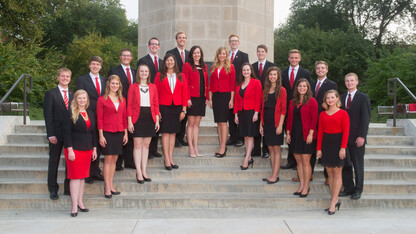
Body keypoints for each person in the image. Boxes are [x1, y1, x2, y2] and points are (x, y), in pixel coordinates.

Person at [63, 90, 98, 217]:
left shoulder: (90, 113)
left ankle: (80, 202)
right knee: (75, 177)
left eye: (84, 98)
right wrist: (70, 149)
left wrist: (94, 148)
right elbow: (66, 132)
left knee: (82, 177)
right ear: (75, 99)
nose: (82, 100)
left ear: (87, 99)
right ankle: (73, 206)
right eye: (79, 98)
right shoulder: (70, 112)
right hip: (74, 149)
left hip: (87, 149)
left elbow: (93, 132)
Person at [317, 90, 350, 215]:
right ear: (325, 100)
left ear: (337, 99)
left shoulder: (343, 114)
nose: (330, 100)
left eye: (332, 97)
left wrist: (343, 148)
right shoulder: (322, 114)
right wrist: (319, 148)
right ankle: (334, 200)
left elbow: (346, 132)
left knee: (337, 173)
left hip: (338, 144)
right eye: (328, 98)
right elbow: (320, 132)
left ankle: (333, 202)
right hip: (326, 144)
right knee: (329, 174)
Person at [339, 73, 371, 200]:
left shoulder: (363, 98)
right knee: (346, 164)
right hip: (344, 138)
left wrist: (362, 136)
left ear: (357, 82)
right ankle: (348, 187)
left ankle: (358, 189)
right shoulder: (341, 97)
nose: (349, 83)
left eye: (352, 80)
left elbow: (366, 118)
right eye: (347, 81)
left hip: (357, 137)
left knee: (358, 165)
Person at [43, 68, 73, 200]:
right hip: (56, 134)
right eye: (62, 76)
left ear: (70, 78)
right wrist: (51, 134)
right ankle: (53, 189)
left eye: (67, 76)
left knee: (70, 162)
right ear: (58, 78)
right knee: (54, 161)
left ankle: (68, 188)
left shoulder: (73, 94)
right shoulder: (51, 94)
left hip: (70, 135)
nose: (65, 78)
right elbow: (48, 116)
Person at [154, 54, 188, 170]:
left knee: (173, 133)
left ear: (175, 62)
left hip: (177, 108)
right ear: (165, 62)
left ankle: (171, 158)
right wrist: (157, 111)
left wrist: (184, 110)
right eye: (168, 60)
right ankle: (166, 159)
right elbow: (155, 94)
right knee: (165, 133)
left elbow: (185, 94)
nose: (170, 62)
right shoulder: (159, 76)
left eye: (172, 60)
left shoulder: (181, 75)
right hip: (164, 107)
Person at [127, 64, 160, 183]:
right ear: (138, 73)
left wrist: (156, 120)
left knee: (146, 145)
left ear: (149, 73)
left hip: (149, 117)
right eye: (142, 71)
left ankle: (144, 170)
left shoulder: (153, 87)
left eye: (146, 71)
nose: (144, 73)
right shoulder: (133, 87)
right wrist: (129, 122)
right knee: (137, 145)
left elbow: (156, 104)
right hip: (137, 117)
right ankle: (138, 171)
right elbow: (129, 105)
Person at [96, 75, 128, 198]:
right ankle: (107, 187)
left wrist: (125, 133)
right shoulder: (102, 100)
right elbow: (99, 119)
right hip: (107, 133)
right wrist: (101, 135)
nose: (115, 86)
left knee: (114, 160)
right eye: (113, 83)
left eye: (117, 84)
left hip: (119, 132)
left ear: (119, 85)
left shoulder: (122, 99)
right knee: (108, 160)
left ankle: (111, 185)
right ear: (108, 84)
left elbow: (124, 117)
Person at [76, 56, 106, 184]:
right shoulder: (82, 80)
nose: (95, 66)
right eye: (93, 64)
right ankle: (87, 172)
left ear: (100, 66)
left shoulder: (105, 80)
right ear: (89, 65)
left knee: (98, 144)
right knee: (88, 143)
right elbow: (80, 96)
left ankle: (95, 170)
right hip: (87, 113)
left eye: (98, 64)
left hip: (102, 114)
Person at [286, 79, 318, 198]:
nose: (302, 88)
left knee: (305, 162)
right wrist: (288, 133)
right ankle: (301, 185)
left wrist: (311, 133)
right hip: (295, 134)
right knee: (298, 161)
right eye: (300, 86)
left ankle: (306, 186)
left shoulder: (312, 101)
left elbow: (314, 119)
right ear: (297, 88)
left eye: (304, 86)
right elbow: (289, 119)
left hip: (306, 135)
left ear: (308, 88)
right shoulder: (293, 102)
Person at [281, 49, 311, 170]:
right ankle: (291, 160)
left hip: (301, 108)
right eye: (292, 57)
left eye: (296, 57)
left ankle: (300, 160)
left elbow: (308, 91)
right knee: (289, 135)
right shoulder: (282, 73)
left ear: (300, 59)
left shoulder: (306, 73)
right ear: (288, 59)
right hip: (288, 108)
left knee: (299, 133)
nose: (294, 59)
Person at [108, 48, 136, 171]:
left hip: (132, 107)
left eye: (128, 56)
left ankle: (129, 161)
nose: (126, 57)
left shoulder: (135, 72)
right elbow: (110, 87)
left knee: (130, 135)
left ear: (131, 58)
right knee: (119, 134)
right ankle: (118, 163)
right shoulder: (114, 70)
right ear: (120, 57)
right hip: (118, 105)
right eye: (124, 55)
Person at [137, 37, 163, 159]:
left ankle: (153, 149)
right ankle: (146, 150)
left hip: (159, 97)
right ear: (148, 46)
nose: (154, 46)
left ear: (158, 47)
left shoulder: (163, 62)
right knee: (147, 124)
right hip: (145, 96)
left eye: (156, 44)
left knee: (157, 124)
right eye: (152, 44)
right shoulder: (142, 60)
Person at [259, 66, 287, 183]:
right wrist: (261, 124)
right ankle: (273, 174)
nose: (272, 76)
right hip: (267, 122)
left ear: (278, 76)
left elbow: (283, 109)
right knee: (270, 148)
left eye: (275, 74)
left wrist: (280, 125)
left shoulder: (282, 90)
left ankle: (275, 175)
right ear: (268, 76)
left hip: (276, 123)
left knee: (276, 149)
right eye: (271, 74)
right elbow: (262, 109)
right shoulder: (265, 90)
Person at [313, 61, 338, 185]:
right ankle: (310, 173)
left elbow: (332, 102)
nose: (320, 70)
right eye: (318, 68)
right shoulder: (312, 84)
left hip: (326, 119)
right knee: (313, 146)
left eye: (322, 68)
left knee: (325, 148)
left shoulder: (332, 84)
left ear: (327, 70)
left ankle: (327, 176)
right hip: (313, 119)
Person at [209, 47, 236, 158]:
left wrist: (231, 99)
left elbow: (232, 84)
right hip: (216, 96)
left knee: (224, 122)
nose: (222, 55)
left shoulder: (231, 67)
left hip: (226, 96)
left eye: (224, 54)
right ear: (217, 55)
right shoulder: (213, 67)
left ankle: (223, 147)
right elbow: (210, 85)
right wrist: (210, 99)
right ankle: (221, 145)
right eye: (220, 54)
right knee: (218, 122)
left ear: (226, 55)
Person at [234, 63, 262, 170]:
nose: (246, 72)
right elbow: (236, 100)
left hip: (251, 112)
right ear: (241, 72)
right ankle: (249, 157)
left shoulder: (256, 82)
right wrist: (236, 114)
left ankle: (246, 159)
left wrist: (256, 113)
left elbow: (258, 98)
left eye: (248, 70)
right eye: (244, 70)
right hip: (241, 113)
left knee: (250, 136)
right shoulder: (238, 84)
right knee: (245, 136)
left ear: (251, 71)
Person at [182, 45, 208, 157]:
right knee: (191, 123)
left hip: (201, 98)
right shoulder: (187, 66)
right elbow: (185, 83)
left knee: (197, 123)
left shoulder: (204, 66)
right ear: (191, 55)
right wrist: (187, 98)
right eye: (194, 53)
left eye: (198, 53)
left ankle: (196, 147)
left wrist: (207, 97)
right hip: (191, 98)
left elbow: (206, 83)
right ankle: (191, 148)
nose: (197, 55)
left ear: (201, 54)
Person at [252, 44, 277, 158]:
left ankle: (266, 150)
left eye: (262, 51)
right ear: (256, 53)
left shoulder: (272, 66)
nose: (260, 53)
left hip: (268, 98)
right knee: (256, 125)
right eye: (258, 51)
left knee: (266, 125)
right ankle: (256, 150)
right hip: (255, 99)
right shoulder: (252, 67)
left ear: (266, 53)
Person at [166, 32, 189, 147]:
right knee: (175, 116)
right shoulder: (170, 53)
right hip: (173, 87)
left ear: (186, 40)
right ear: (176, 40)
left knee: (184, 116)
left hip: (185, 87)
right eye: (180, 38)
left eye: (184, 38)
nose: (182, 39)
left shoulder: (189, 54)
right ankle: (174, 139)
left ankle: (181, 137)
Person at [227, 34, 249, 147]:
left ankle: (240, 137)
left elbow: (245, 70)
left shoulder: (244, 55)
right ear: (229, 43)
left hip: (239, 87)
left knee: (239, 112)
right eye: (231, 41)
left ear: (238, 42)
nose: (234, 43)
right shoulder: (226, 55)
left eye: (235, 41)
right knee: (230, 114)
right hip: (228, 88)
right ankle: (232, 136)